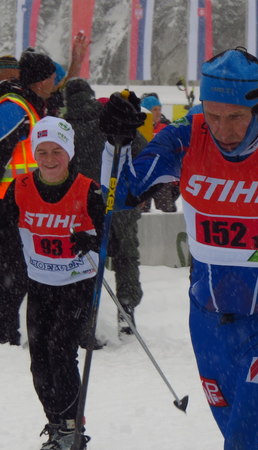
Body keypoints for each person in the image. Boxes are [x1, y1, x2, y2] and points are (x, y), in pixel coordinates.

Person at [98, 48, 258, 449]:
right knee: (248, 439)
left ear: (257, 108)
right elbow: (121, 194)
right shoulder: (188, 134)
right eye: (213, 115)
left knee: (244, 443)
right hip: (210, 325)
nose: (222, 129)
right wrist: (116, 142)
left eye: (236, 117)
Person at [0, 116, 103, 449]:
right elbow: (5, 228)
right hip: (40, 282)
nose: (49, 159)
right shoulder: (20, 187)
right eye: (42, 151)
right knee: (40, 360)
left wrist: (91, 241)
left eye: (56, 151)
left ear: (69, 152)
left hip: (77, 283)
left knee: (61, 352)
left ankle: (73, 429)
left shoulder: (88, 189)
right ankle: (56, 423)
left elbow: (110, 241)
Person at [63, 78, 146, 339]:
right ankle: (126, 310)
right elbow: (143, 150)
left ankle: (88, 319)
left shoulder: (66, 127)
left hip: (85, 205)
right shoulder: (111, 118)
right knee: (126, 257)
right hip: (120, 199)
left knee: (87, 259)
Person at [0, 49, 58, 346]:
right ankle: (5, 335)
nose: (55, 82)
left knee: (18, 273)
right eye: (53, 76)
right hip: (6, 205)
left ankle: (7, 333)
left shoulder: (32, 105)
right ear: (41, 80)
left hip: (20, 204)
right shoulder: (16, 107)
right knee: (13, 274)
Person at [139, 93, 179, 213]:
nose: (158, 113)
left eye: (159, 109)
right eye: (154, 110)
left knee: (167, 211)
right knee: (142, 212)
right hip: (143, 176)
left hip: (162, 176)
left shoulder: (166, 127)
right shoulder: (138, 127)